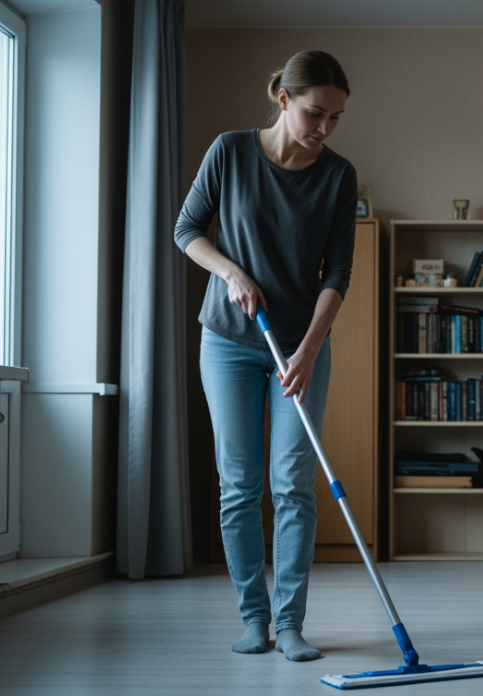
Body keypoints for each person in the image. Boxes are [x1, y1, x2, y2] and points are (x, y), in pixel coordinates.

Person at [174, 50, 357, 662]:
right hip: (228, 340)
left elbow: (339, 274)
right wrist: (229, 272)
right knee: (239, 485)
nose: (325, 128)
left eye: (335, 118)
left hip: (300, 350)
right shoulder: (229, 151)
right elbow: (188, 230)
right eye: (315, 113)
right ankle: (254, 618)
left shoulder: (337, 175)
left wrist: (308, 349)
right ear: (284, 98)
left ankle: (292, 624)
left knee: (292, 486)